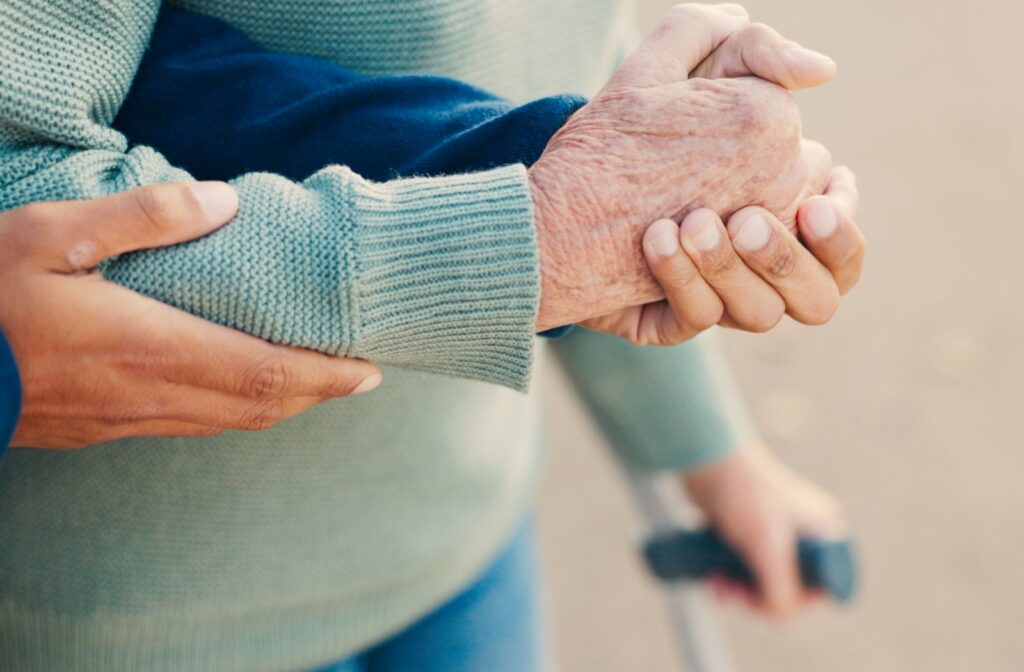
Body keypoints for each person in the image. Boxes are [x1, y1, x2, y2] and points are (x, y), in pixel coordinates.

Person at [0, 3, 863, 671]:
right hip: (150, 614)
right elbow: (34, 210)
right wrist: (531, 238)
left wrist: (709, 449)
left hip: (468, 547)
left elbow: (578, 79)